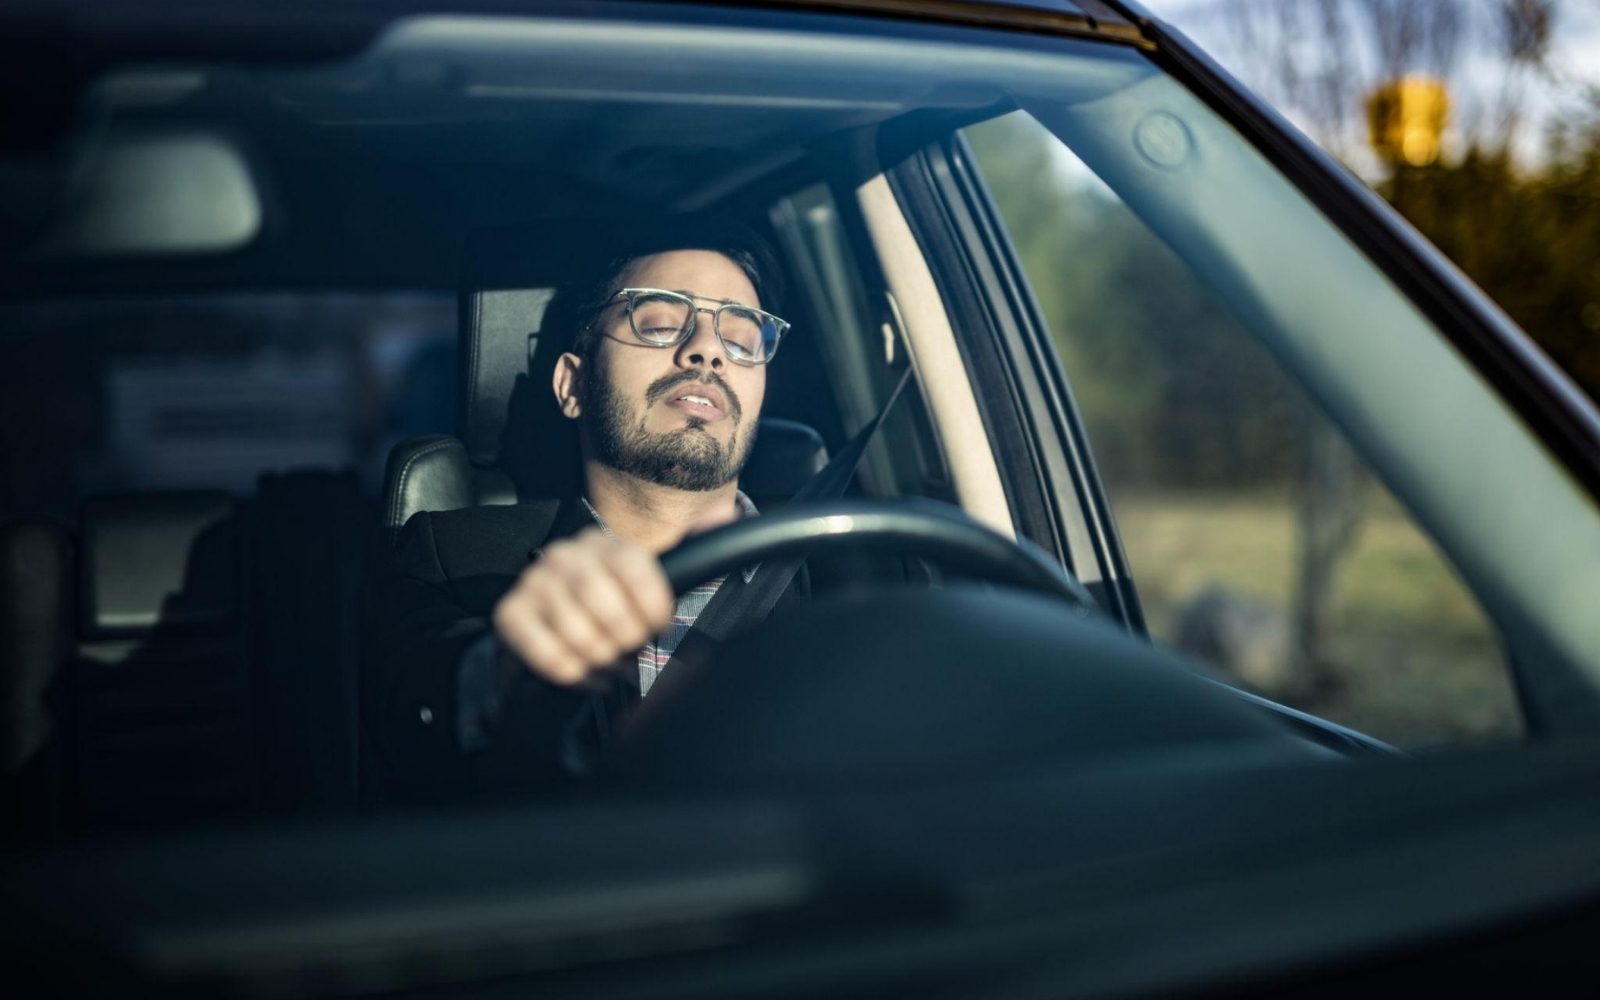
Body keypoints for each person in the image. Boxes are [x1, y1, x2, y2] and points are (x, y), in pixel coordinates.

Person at [371, 226, 801, 800]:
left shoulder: (857, 567)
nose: (708, 349)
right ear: (572, 385)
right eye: (659, 324)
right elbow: (409, 708)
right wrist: (506, 670)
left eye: (743, 338)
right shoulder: (452, 554)